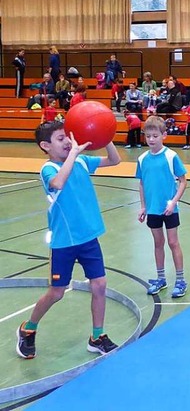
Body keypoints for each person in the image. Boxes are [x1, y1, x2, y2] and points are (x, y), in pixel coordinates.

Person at [16, 120, 121, 359]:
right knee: (57, 292)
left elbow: (114, 161)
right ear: (45, 145)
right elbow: (58, 183)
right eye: (60, 139)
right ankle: (28, 329)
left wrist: (105, 136)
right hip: (64, 241)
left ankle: (97, 336)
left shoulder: (82, 161)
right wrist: (73, 152)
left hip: (88, 237)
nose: (66, 142)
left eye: (67, 137)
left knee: (100, 285)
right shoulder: (48, 169)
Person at [135, 116, 188, 298]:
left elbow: (182, 181)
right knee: (158, 243)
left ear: (164, 135)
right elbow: (142, 183)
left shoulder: (171, 156)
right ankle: (161, 278)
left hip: (170, 209)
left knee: (173, 242)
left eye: (155, 136)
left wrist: (173, 202)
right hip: (153, 210)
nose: (151, 139)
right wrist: (143, 207)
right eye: (148, 136)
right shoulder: (142, 159)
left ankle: (180, 280)